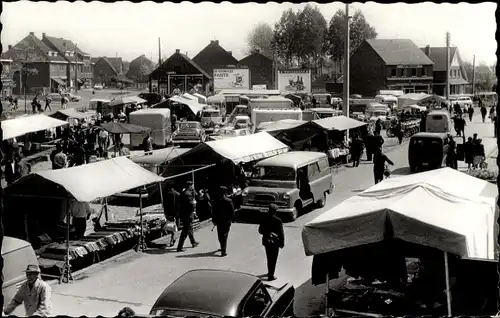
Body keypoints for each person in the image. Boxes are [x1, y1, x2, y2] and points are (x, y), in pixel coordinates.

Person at [258, 204, 285, 281]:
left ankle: (269, 272)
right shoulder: (278, 220)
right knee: (273, 259)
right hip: (275, 242)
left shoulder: (264, 218)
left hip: (266, 241)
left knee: (269, 258)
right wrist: (282, 243)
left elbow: (260, 231)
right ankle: (271, 275)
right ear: (275, 211)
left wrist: (267, 233)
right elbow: (281, 234)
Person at [212, 186, 235, 257]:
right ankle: (223, 251)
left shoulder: (216, 200)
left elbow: (213, 211)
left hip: (219, 220)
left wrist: (214, 220)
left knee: (220, 234)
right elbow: (232, 211)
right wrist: (233, 219)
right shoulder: (229, 201)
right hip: (227, 221)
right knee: (225, 235)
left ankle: (222, 246)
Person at [176, 181, 200, 252]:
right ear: (189, 186)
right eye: (192, 185)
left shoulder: (183, 193)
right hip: (188, 214)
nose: (193, 187)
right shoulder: (188, 194)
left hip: (183, 214)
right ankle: (179, 247)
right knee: (185, 231)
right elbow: (191, 204)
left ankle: (193, 242)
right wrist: (194, 203)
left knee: (190, 228)